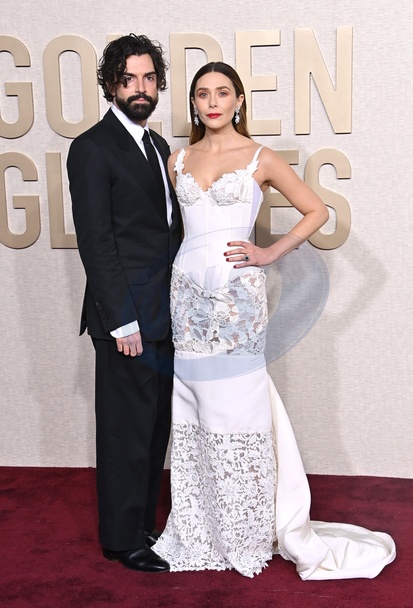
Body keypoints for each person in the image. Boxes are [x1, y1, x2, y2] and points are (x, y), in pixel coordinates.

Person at [152, 61, 396, 579]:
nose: (212, 102)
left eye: (222, 92)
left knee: (236, 406)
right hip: (187, 298)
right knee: (194, 408)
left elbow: (317, 211)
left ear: (239, 100)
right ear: (193, 103)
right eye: (202, 94)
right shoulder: (177, 160)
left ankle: (243, 528)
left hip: (238, 299)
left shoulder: (260, 157)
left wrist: (268, 254)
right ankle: (201, 525)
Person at [67, 34, 181, 573]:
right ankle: (120, 540)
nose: (140, 88)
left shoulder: (157, 146)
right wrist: (122, 320)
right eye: (129, 78)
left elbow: (165, 231)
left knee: (154, 426)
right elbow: (97, 242)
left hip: (165, 313)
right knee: (125, 431)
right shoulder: (91, 148)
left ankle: (139, 525)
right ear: (111, 84)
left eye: (149, 78)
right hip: (126, 319)